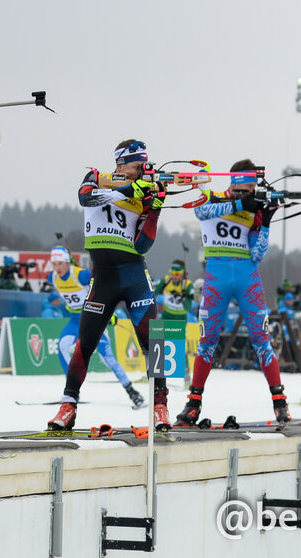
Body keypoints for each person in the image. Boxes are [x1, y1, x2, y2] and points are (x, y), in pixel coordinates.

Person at [48, 139, 166, 432]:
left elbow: (143, 244)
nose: (140, 171)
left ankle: (160, 405)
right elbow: (87, 197)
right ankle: (68, 405)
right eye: (136, 166)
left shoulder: (142, 191)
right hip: (103, 277)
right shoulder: (96, 177)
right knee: (84, 344)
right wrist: (128, 189)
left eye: (143, 167)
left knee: (154, 343)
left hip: (134, 275)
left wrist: (154, 210)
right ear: (120, 163)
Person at [175, 160, 288, 427]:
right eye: (247, 186)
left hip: (248, 276)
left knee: (262, 340)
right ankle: (193, 403)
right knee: (207, 342)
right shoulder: (213, 198)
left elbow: (257, 254)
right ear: (235, 182)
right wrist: (240, 205)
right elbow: (202, 212)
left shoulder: (254, 206)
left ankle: (280, 401)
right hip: (217, 275)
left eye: (253, 187)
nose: (251, 191)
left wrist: (266, 222)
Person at [47, 245, 144, 408]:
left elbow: (103, 288)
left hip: (92, 319)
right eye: (54, 264)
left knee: (108, 359)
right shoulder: (52, 278)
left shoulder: (81, 275)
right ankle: (70, 393)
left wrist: (108, 313)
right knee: (63, 346)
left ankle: (132, 392)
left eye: (60, 264)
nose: (57, 269)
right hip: (74, 321)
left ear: (67, 263)